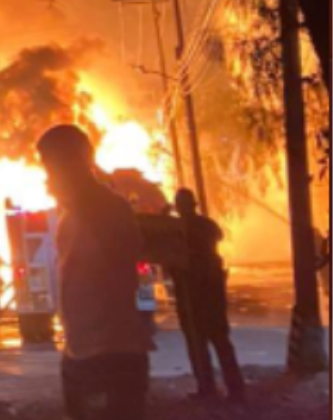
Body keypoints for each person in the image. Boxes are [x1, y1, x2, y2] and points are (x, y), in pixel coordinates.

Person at [37, 124, 154, 420]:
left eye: (52, 169)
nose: (47, 181)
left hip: (108, 354)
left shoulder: (104, 212)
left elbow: (117, 279)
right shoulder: (74, 216)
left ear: (74, 165)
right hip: (84, 352)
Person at [175, 188, 245, 401]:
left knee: (199, 343)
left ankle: (208, 388)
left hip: (193, 293)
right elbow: (218, 236)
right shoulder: (207, 226)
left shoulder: (178, 230)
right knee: (218, 341)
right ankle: (233, 388)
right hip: (211, 292)